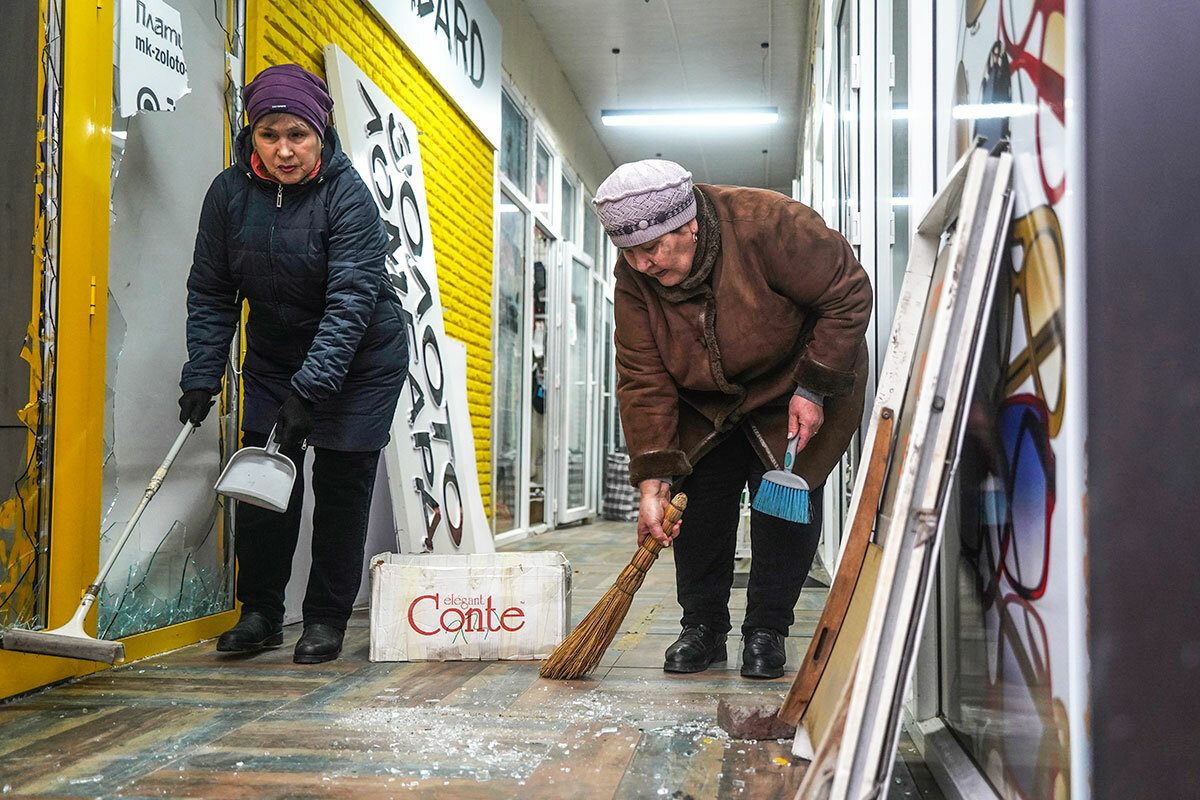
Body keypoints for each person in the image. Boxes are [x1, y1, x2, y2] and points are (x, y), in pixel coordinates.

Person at [593, 160, 871, 679]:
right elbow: (642, 374)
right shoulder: (635, 275)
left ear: (689, 225)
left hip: (795, 382)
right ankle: (702, 627)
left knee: (784, 504)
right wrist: (652, 479)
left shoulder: (769, 223)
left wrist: (814, 388)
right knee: (698, 502)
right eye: (628, 252)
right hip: (705, 402)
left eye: (652, 248)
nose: (642, 264)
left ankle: (767, 628)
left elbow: (849, 294)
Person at [177, 64, 407, 664]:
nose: (284, 150)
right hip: (276, 357)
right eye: (269, 135)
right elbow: (212, 290)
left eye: (297, 135)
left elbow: (351, 299)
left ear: (320, 132)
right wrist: (202, 372)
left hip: (360, 360)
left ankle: (326, 619)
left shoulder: (347, 195)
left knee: (340, 485)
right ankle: (260, 614)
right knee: (262, 480)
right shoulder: (228, 195)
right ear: (250, 135)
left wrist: (312, 390)